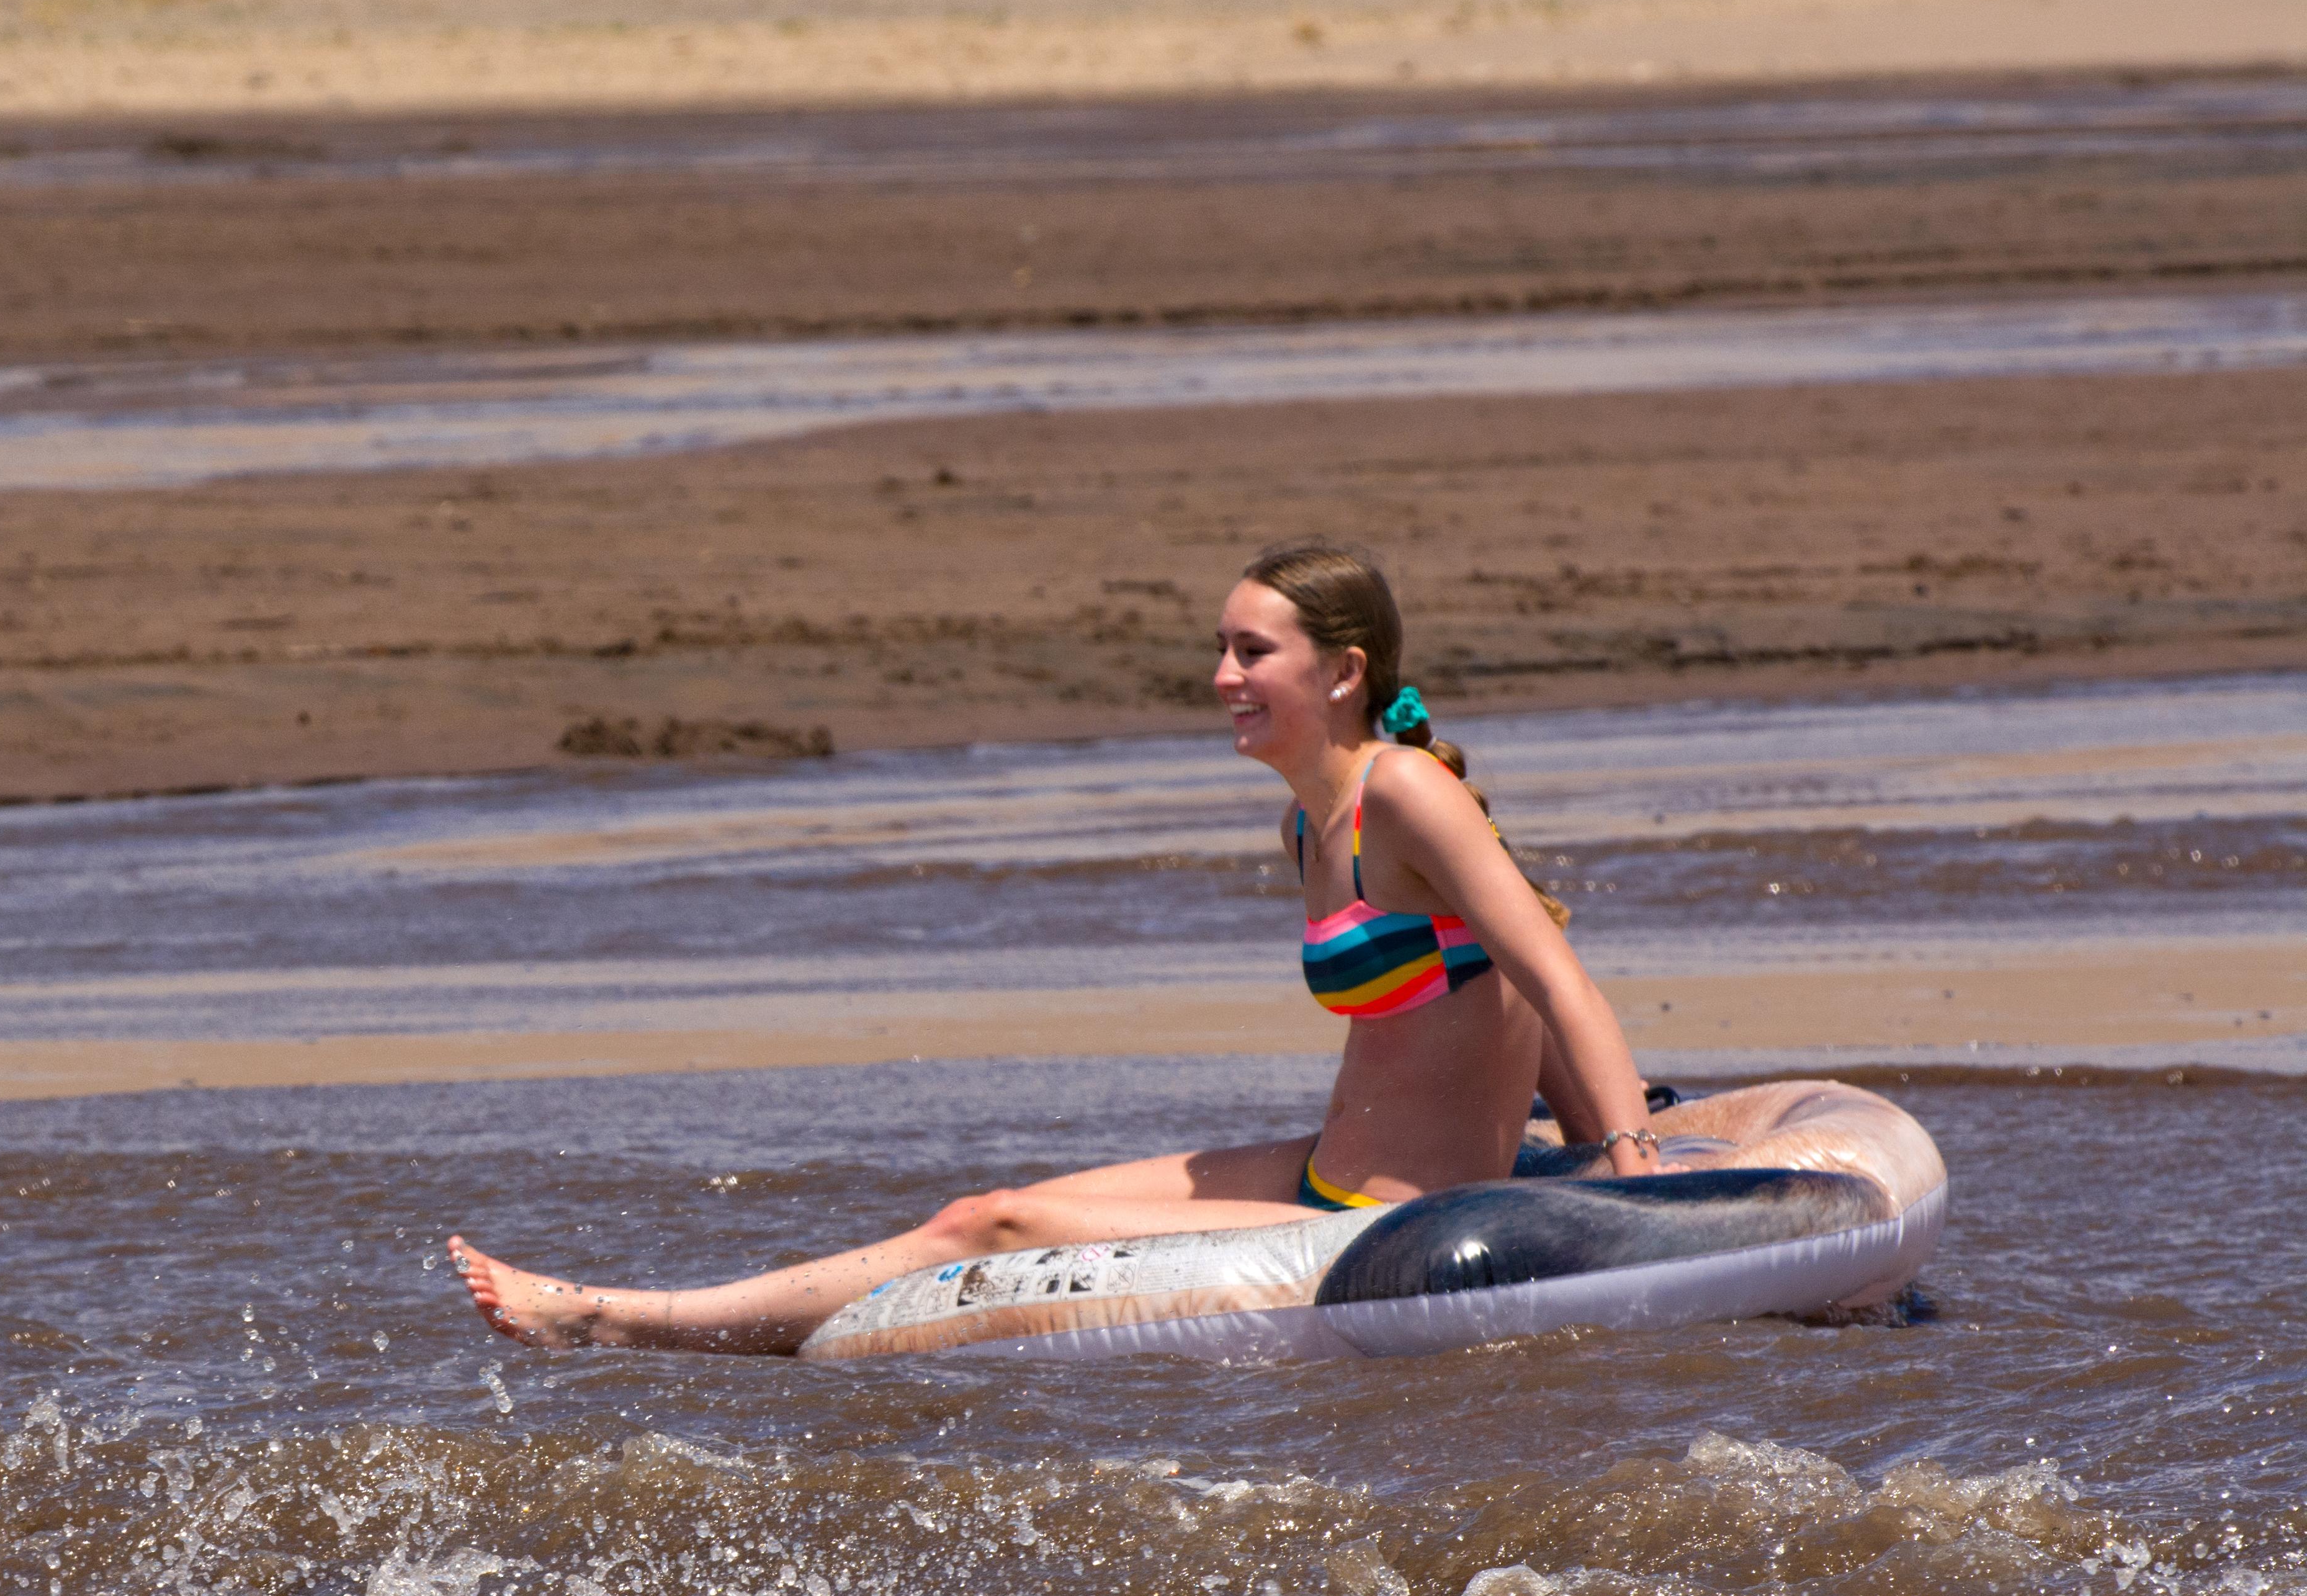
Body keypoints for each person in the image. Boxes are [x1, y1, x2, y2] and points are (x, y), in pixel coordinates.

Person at [449, 541, 1667, 1355]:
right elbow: (1491, 985)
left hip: (1393, 1219)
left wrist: (1630, 1167)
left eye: (1255, 652)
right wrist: (1560, 1133)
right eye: (1225, 649)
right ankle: (663, 1316)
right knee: (978, 1203)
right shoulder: (1310, 815)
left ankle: (621, 1317)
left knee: (993, 1229)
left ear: (1345, 671)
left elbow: (1550, 973)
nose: (1222, 675)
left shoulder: (1407, 793)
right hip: (1327, 1174)